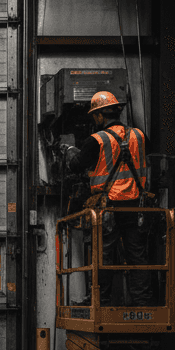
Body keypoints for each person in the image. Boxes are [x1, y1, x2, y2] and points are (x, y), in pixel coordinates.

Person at [61, 91, 153, 306]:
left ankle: (100, 300)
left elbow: (77, 165)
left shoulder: (97, 140)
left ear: (99, 116)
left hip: (108, 208)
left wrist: (71, 152)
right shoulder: (140, 135)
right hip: (135, 208)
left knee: (103, 256)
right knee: (137, 256)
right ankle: (143, 301)